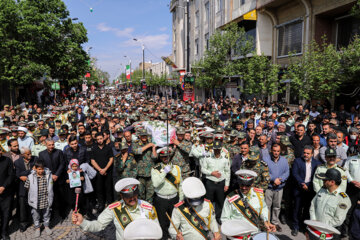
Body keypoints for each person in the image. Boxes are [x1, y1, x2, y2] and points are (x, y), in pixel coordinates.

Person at [72, 178, 159, 240]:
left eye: (134, 195)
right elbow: (99, 225)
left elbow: (156, 229)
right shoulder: (114, 209)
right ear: (121, 196)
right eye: (128, 196)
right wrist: (82, 222)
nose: (132, 198)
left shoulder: (148, 207)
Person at [151, 148, 183, 239]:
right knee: (163, 222)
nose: (165, 158)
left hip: (174, 198)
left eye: (167, 156)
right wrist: (164, 172)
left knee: (175, 222)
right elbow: (155, 184)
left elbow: (180, 185)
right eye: (163, 156)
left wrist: (180, 199)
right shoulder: (155, 169)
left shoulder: (177, 168)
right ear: (160, 157)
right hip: (161, 200)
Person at [291, 145, 322, 236]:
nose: (305, 155)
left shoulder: (317, 163)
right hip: (299, 189)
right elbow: (295, 173)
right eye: (304, 153)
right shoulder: (297, 161)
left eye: (308, 153)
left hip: (309, 189)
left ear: (312, 154)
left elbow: (316, 177)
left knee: (307, 209)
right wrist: (302, 183)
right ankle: (295, 227)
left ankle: (304, 226)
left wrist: (308, 185)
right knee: (297, 208)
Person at [310, 168, 351, 232]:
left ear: (332, 182)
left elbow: (338, 220)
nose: (323, 181)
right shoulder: (322, 190)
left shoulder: (343, 198)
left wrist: (321, 226)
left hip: (329, 231)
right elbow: (313, 204)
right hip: (315, 227)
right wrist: (313, 220)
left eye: (325, 180)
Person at [201, 140, 230, 223]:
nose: (217, 151)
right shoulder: (208, 157)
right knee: (208, 202)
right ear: (212, 149)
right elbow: (203, 169)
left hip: (221, 183)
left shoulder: (225, 158)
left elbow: (227, 172)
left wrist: (227, 184)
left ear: (221, 149)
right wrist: (211, 173)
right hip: (210, 183)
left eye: (218, 149)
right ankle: (207, 217)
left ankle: (218, 218)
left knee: (220, 202)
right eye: (215, 149)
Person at [263, 143, 290, 232]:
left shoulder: (284, 160)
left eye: (278, 151)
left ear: (280, 151)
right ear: (271, 151)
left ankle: (274, 222)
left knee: (277, 206)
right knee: (267, 206)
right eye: (274, 151)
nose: (276, 153)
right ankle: (266, 223)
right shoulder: (266, 159)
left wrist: (280, 180)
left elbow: (287, 172)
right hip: (269, 187)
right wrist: (274, 179)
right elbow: (265, 172)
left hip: (279, 188)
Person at [24, 160, 54, 237]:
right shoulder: (30, 177)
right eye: (39, 169)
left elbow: (51, 186)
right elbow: (27, 187)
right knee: (35, 215)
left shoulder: (48, 176)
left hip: (46, 199)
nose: (41, 171)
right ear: (35, 169)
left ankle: (46, 226)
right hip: (35, 200)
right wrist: (32, 195)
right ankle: (37, 228)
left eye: (42, 169)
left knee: (46, 214)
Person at [90, 132, 114, 211]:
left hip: (108, 171)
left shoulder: (108, 148)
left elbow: (111, 159)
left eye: (101, 138)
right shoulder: (94, 148)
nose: (100, 140)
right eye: (98, 139)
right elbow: (92, 160)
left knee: (108, 188)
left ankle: (109, 203)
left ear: (103, 138)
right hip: (98, 172)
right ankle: (101, 204)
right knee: (99, 189)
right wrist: (100, 170)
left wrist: (105, 169)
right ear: (96, 140)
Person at [14, 147, 35, 232]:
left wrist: (25, 174)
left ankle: (32, 220)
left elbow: (37, 170)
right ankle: (23, 223)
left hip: (33, 187)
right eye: (28, 154)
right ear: (22, 155)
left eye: (30, 153)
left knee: (32, 204)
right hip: (22, 188)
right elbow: (18, 174)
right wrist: (31, 171)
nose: (30, 155)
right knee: (22, 206)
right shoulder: (17, 162)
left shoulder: (35, 159)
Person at [133, 129, 157, 203]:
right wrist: (148, 146)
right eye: (142, 136)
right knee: (140, 194)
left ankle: (149, 210)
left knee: (150, 194)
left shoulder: (151, 143)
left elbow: (155, 157)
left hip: (150, 173)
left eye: (145, 136)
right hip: (141, 174)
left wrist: (153, 148)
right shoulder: (136, 143)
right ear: (139, 136)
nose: (144, 137)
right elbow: (136, 151)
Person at [0, 146, 14, 240]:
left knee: (6, 213)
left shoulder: (7, 160)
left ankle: (4, 232)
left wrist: (3, 186)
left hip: (6, 191)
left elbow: (11, 175)